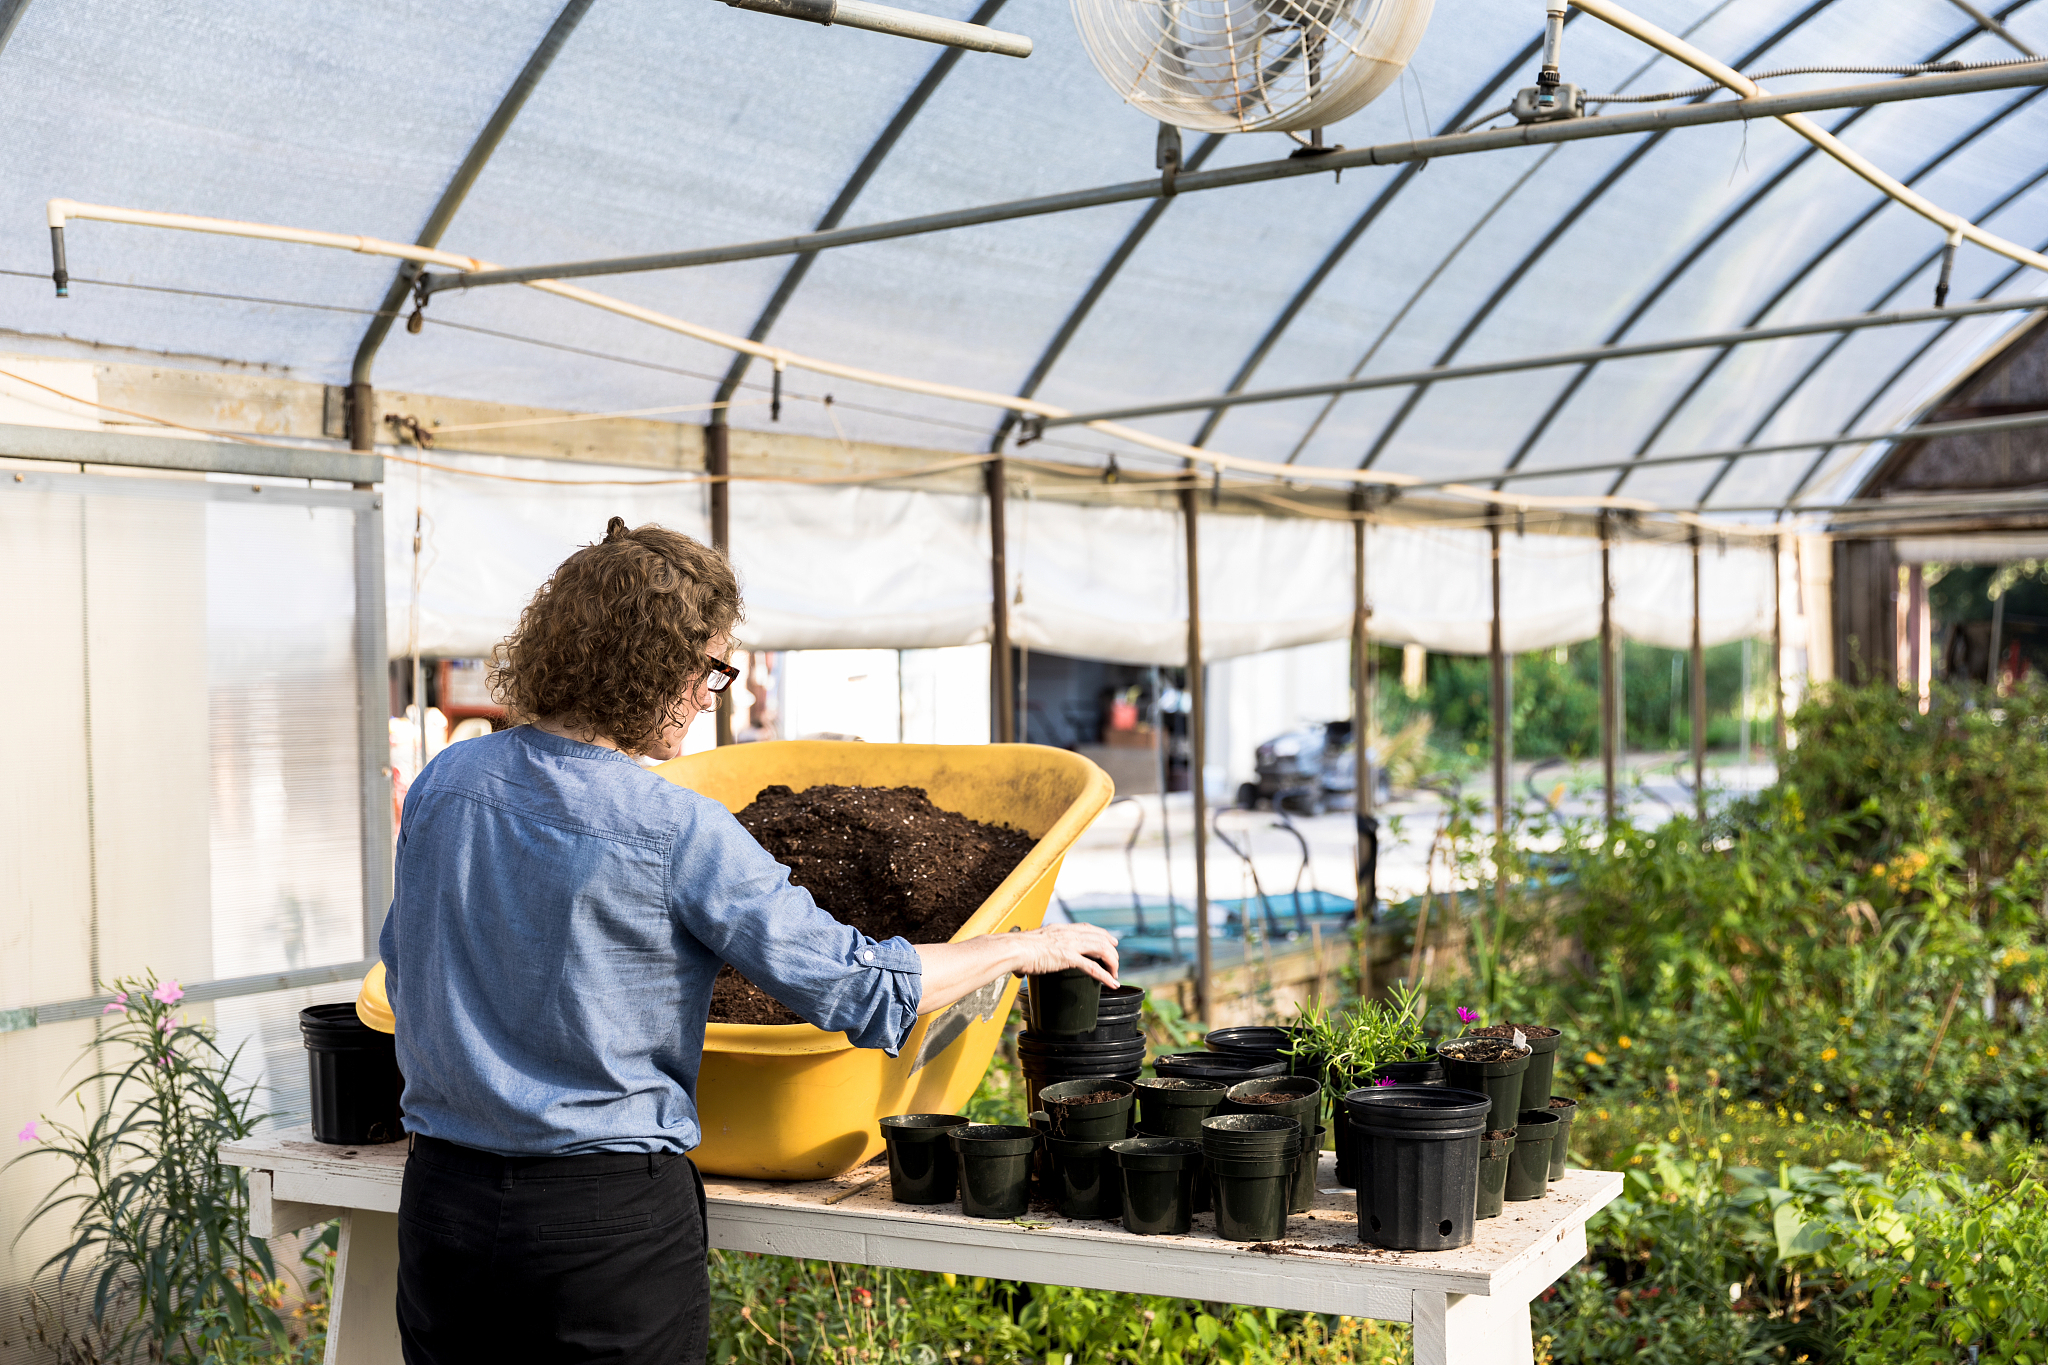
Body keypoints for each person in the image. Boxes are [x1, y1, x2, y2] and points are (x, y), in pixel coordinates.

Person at [379, 518, 1118, 1365]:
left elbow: (409, 974)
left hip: (444, 1208)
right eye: (709, 670)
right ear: (648, 666)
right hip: (600, 1230)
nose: (710, 695)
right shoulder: (674, 826)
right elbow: (862, 988)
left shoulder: (447, 782)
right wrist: (1023, 945)